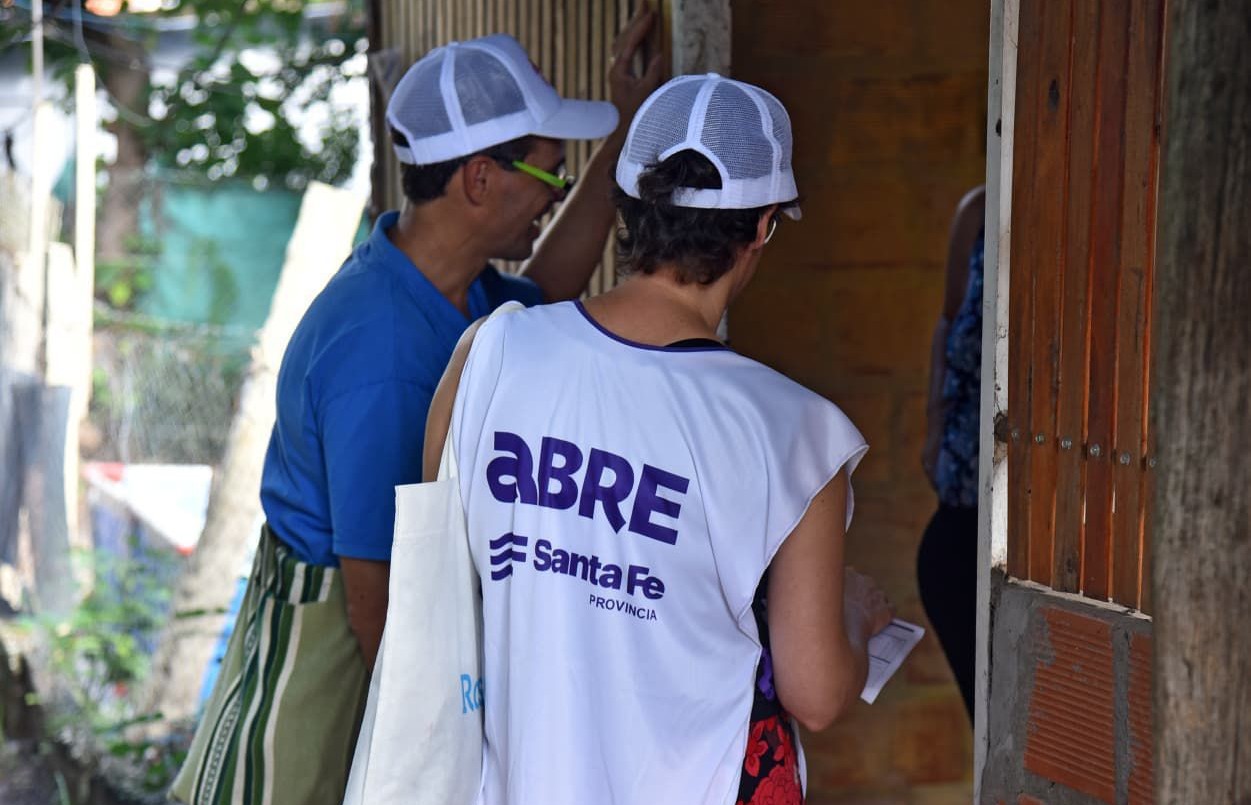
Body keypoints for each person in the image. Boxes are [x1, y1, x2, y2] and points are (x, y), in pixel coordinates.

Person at [169, 16, 662, 805]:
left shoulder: (437, 284)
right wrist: (452, 758)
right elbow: (377, 606)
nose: (557, 196)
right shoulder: (386, 358)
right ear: (477, 180)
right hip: (330, 685)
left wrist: (625, 131)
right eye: (549, 178)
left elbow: (544, 291)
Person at [423, 73, 894, 805]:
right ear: (763, 226)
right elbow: (815, 693)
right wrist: (855, 623)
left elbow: (435, 580)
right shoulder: (795, 432)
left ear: (626, 208)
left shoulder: (488, 353)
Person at [917, 184, 986, 723]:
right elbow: (948, 322)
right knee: (987, 725)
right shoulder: (980, 211)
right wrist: (935, 425)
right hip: (960, 524)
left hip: (1049, 541)